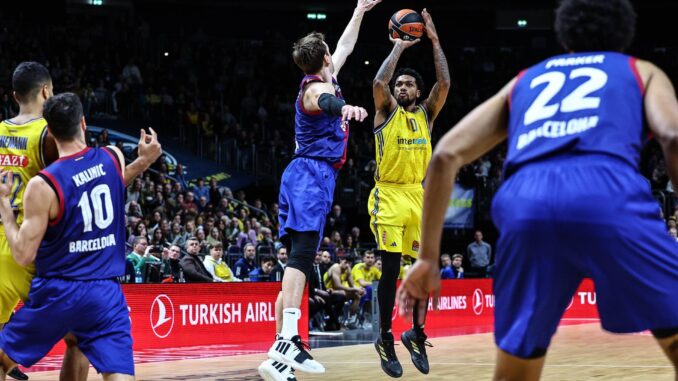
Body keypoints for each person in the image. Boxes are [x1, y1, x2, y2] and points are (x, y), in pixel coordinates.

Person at [397, 1, 678, 380]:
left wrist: (428, 260)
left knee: (516, 371)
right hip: (607, 195)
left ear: (565, 32)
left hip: (525, 204)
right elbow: (673, 136)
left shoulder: (526, 79)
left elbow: (446, 154)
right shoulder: (639, 70)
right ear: (625, 31)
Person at [0, 62, 158, 381]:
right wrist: (141, 162)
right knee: (78, 339)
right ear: (46, 91)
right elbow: (82, 183)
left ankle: (8, 361)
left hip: (8, 241)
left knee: (7, 338)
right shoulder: (48, 136)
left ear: (14, 95)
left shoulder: (2, 130)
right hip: (44, 252)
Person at [258, 1, 378, 379]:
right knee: (303, 256)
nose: (335, 55)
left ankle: (277, 360)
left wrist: (359, 11)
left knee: (298, 259)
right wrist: (345, 108)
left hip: (309, 176)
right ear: (323, 59)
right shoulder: (315, 90)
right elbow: (324, 103)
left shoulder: (326, 74)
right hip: (310, 175)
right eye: (331, 54)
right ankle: (289, 340)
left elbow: (345, 46)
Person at [368, 8, 450, 378]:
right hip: (388, 195)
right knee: (389, 270)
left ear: (418, 92)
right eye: (399, 85)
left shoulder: (427, 115)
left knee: (421, 270)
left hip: (417, 197)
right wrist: (399, 47)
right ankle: (384, 337)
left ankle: (414, 333)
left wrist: (434, 40)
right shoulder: (385, 112)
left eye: (407, 85)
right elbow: (377, 83)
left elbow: (444, 84)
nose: (401, 88)